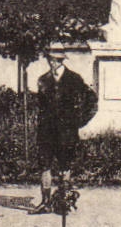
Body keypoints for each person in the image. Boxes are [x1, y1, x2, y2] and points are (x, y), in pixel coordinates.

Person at [29, 46, 96, 214]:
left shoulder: (74, 79)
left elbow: (92, 101)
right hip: (46, 131)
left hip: (66, 132)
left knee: (65, 166)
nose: (52, 62)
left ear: (61, 60)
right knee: (44, 165)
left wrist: (78, 122)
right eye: (50, 59)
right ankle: (45, 202)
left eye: (56, 60)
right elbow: (41, 106)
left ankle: (63, 202)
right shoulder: (43, 80)